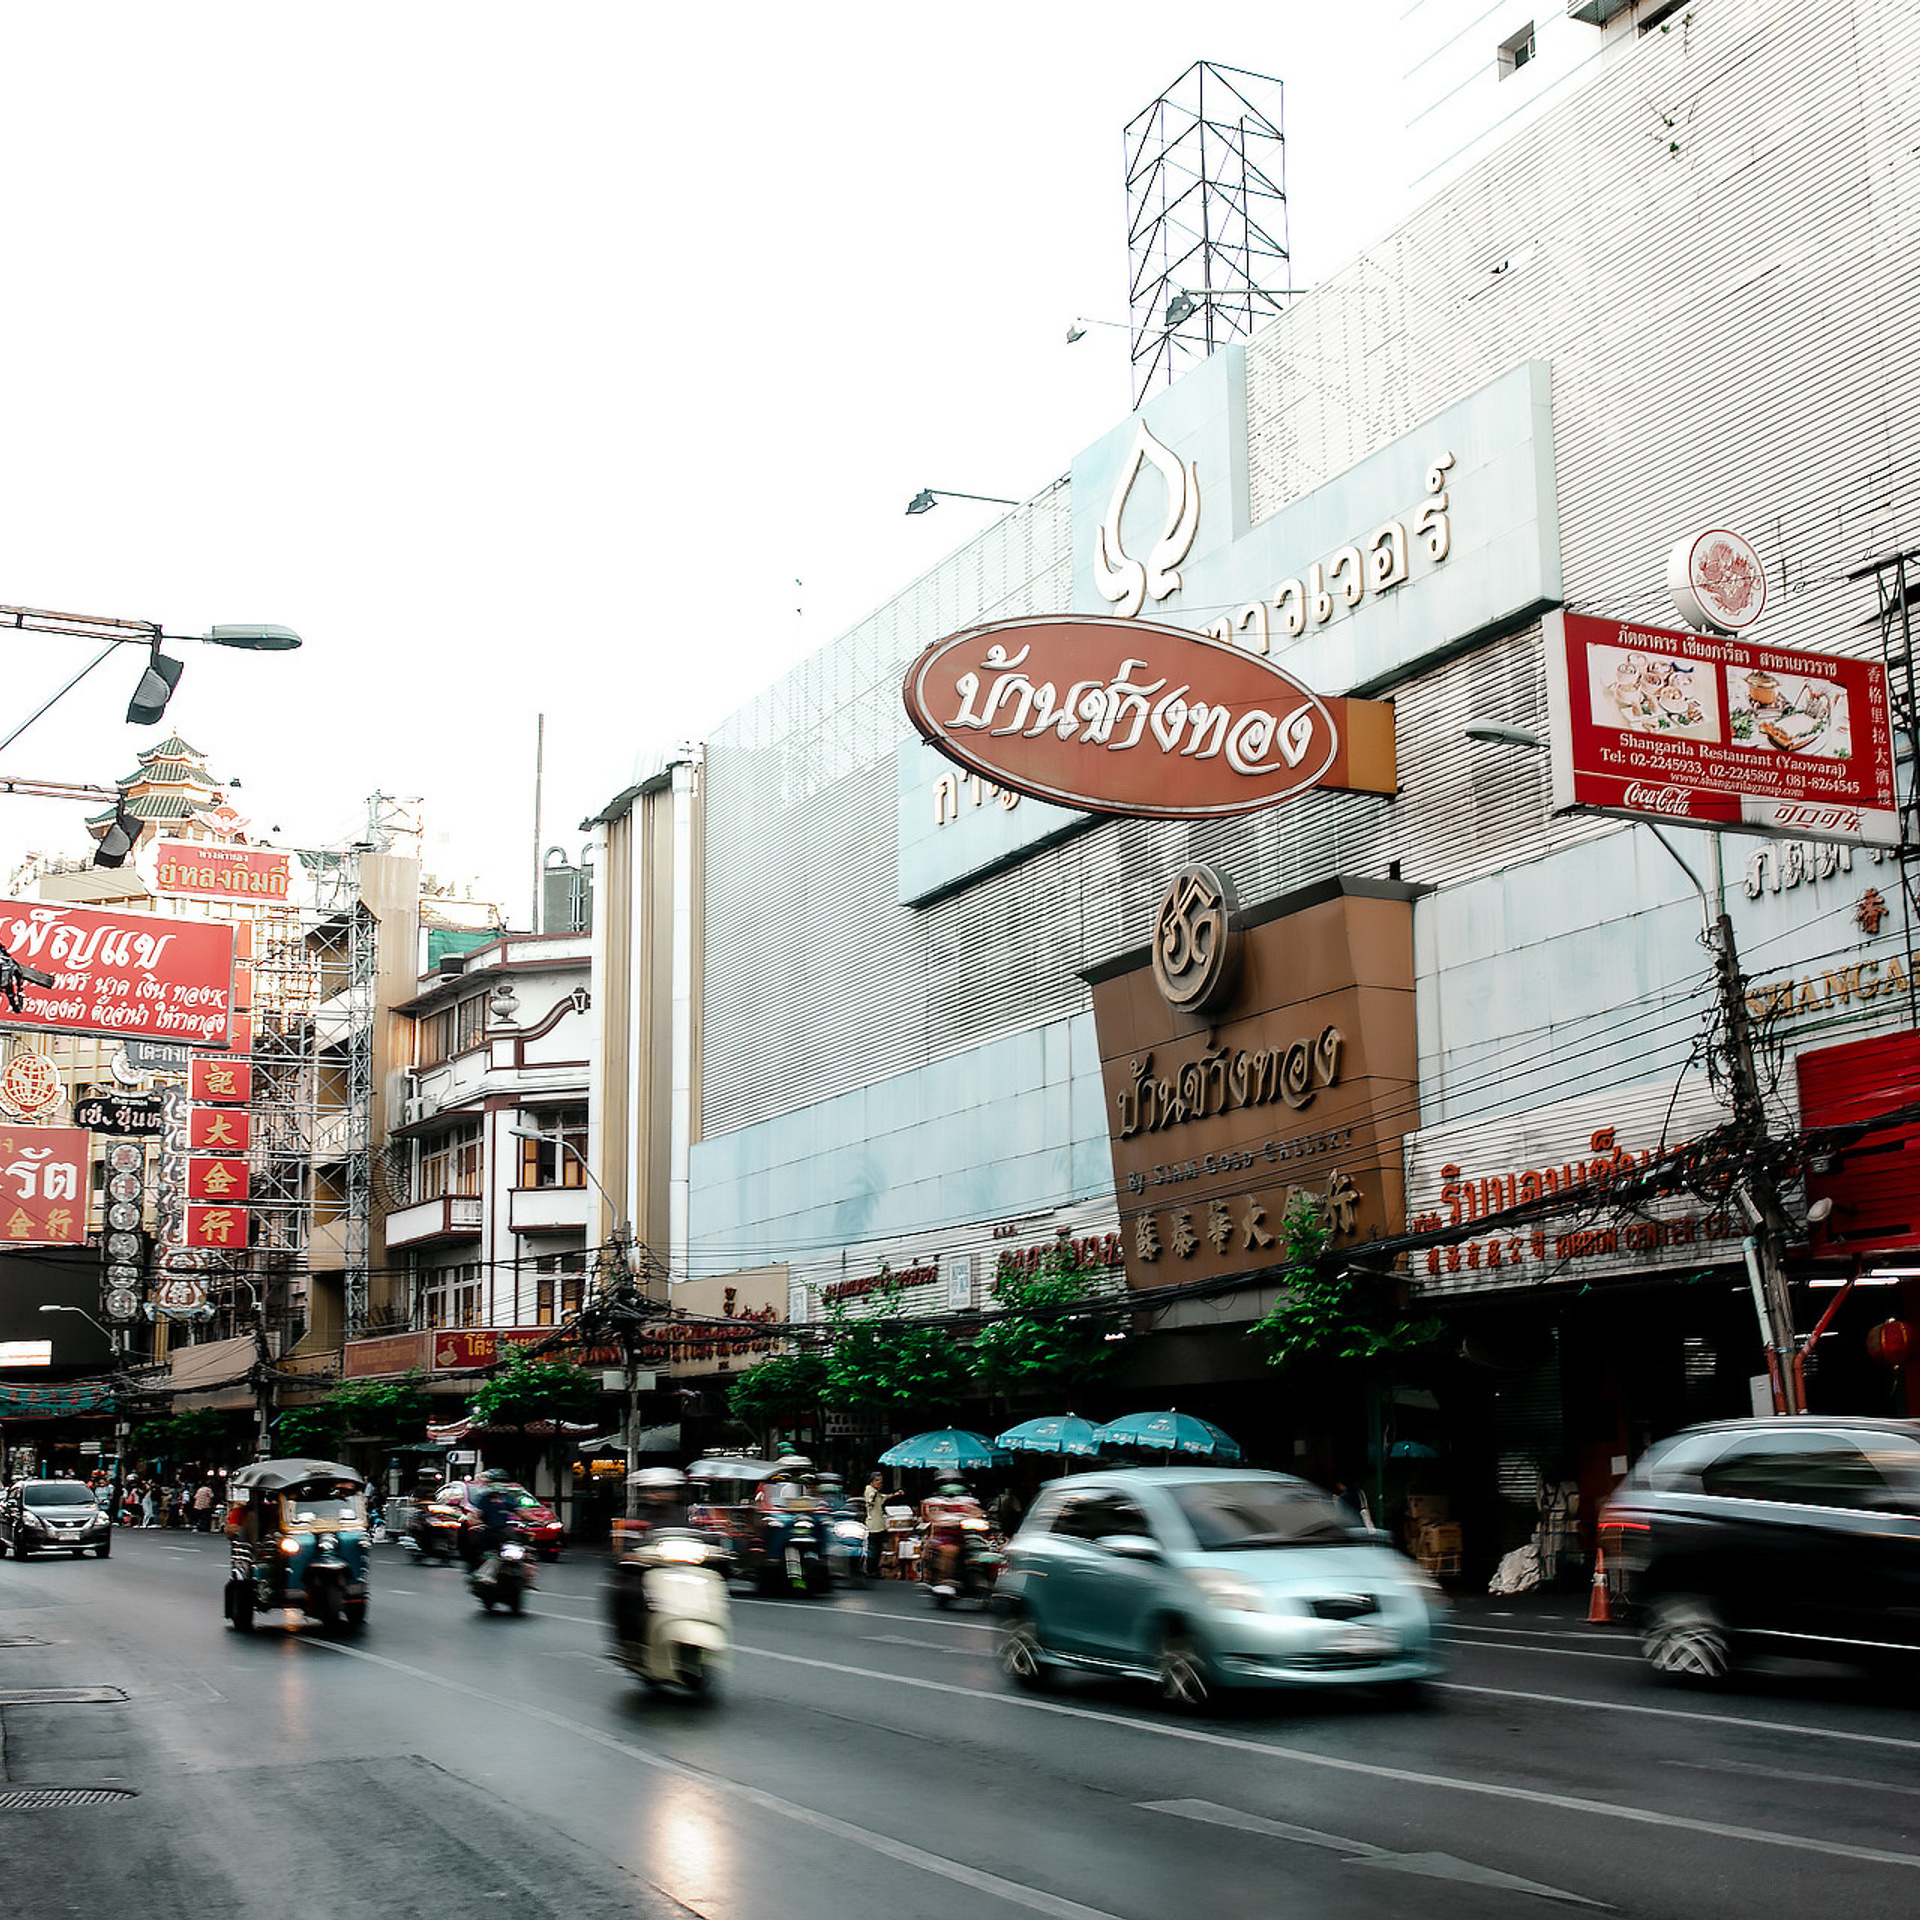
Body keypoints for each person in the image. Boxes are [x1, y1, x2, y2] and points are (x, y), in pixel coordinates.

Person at [862, 1469, 895, 1578]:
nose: (880, 1484)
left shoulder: (877, 1492)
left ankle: (874, 1570)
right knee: (873, 1550)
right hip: (873, 1526)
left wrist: (896, 1494)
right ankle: (871, 1570)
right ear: (872, 1481)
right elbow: (870, 1499)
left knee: (877, 1549)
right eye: (878, 1481)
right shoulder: (870, 1490)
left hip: (879, 1525)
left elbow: (884, 1497)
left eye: (881, 1482)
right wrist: (872, 1499)